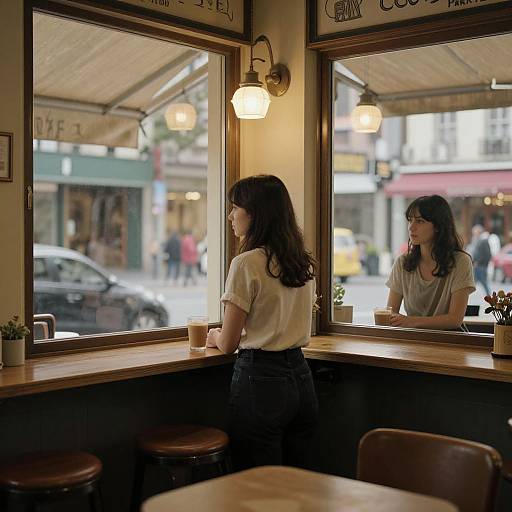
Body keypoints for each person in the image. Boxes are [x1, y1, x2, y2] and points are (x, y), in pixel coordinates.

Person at [206, 174, 318, 470]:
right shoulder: (301, 262)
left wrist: (214, 336)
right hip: (301, 377)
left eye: (235, 208)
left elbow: (228, 344)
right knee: (297, 482)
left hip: (262, 381)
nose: (231, 216)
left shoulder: (245, 263)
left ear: (255, 214)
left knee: (256, 484)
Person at [386, 195, 475, 330]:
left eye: (420, 221)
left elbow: (455, 319)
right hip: (413, 342)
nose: (411, 227)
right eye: (410, 220)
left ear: (438, 226)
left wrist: (410, 321)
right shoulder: (402, 263)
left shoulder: (461, 262)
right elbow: (390, 312)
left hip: (451, 343)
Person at [471, 224, 492, 296]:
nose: (474, 234)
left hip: (481, 266)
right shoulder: (478, 240)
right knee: (473, 282)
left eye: (475, 232)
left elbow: (487, 254)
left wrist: (479, 262)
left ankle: (489, 296)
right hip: (477, 266)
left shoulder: (484, 241)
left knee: (483, 282)